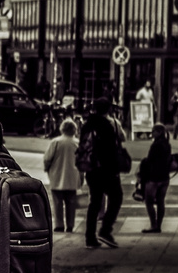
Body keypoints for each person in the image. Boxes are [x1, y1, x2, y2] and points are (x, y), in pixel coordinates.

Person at [78, 97, 126, 249]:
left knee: (95, 202)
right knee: (116, 197)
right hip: (107, 169)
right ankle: (105, 230)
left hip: (91, 168)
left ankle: (90, 237)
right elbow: (110, 150)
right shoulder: (108, 125)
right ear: (108, 109)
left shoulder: (87, 125)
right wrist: (115, 170)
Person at [43, 118, 82, 232]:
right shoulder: (77, 143)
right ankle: (70, 224)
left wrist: (47, 168)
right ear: (74, 129)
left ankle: (59, 224)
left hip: (57, 175)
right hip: (72, 177)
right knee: (71, 203)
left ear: (62, 129)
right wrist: (81, 177)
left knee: (57, 203)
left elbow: (47, 158)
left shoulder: (56, 142)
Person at [141, 123, 172, 234]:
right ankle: (158, 225)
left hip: (154, 177)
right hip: (165, 177)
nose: (152, 133)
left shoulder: (155, 145)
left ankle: (153, 225)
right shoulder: (167, 144)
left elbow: (150, 160)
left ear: (158, 132)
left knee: (149, 201)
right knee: (160, 201)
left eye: (153, 131)